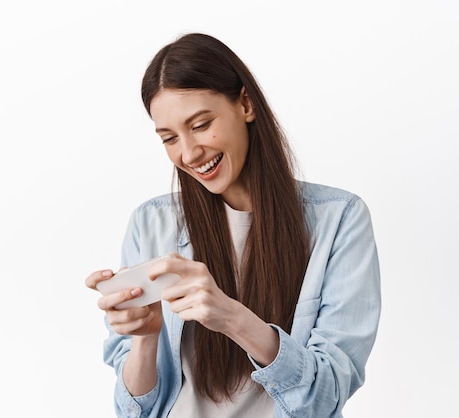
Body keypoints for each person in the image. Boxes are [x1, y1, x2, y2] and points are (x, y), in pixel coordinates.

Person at [85, 32, 381, 418]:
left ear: (245, 104)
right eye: (169, 138)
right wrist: (145, 339)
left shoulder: (340, 219)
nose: (189, 153)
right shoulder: (150, 222)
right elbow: (135, 410)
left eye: (202, 124)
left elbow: (326, 396)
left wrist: (233, 318)